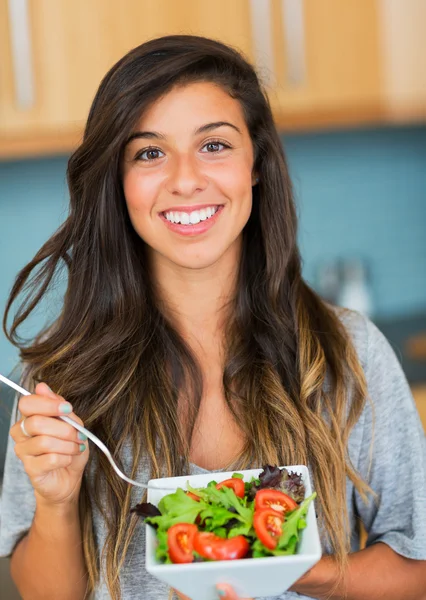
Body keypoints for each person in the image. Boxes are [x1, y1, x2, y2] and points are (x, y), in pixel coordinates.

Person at [0, 34, 425, 600]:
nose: (185, 179)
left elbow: (415, 571)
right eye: (149, 152)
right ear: (118, 182)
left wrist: (284, 563)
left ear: (256, 164)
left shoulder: (349, 352)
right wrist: (56, 501)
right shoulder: (67, 372)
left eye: (215, 145)